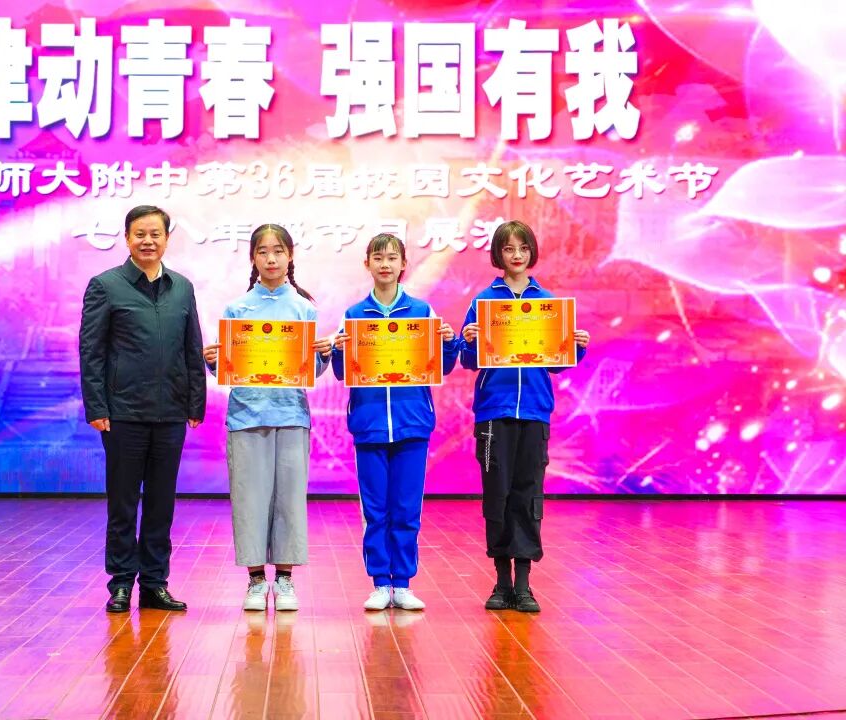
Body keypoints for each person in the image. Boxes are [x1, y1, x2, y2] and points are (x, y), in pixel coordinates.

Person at [79, 205, 206, 613]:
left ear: (167, 238)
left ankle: (154, 583)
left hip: (170, 413)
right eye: (140, 234)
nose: (148, 241)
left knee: (161, 503)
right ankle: (120, 583)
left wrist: (195, 401)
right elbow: (91, 352)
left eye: (155, 234)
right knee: (123, 502)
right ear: (127, 238)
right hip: (122, 414)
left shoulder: (182, 287)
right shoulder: (106, 286)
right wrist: (97, 405)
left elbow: (192, 348)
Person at [459, 220, 590, 613]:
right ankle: (501, 582)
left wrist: (577, 347)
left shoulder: (548, 303)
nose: (516, 255)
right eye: (508, 248)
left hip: (534, 410)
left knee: (528, 494)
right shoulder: (484, 302)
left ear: (532, 252)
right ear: (497, 255)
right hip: (493, 412)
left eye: (523, 248)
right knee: (496, 494)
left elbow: (557, 364)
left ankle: (524, 584)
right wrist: (469, 341)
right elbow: (469, 361)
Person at [202, 224, 334, 612]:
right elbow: (229, 370)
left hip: (291, 414)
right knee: (250, 498)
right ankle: (257, 580)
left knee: (290, 499)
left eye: (278, 251)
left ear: (290, 256)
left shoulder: (304, 308)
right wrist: (213, 362)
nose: (271, 259)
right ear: (253, 258)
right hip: (246, 415)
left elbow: (311, 371)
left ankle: (286, 579)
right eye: (263, 251)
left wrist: (323, 355)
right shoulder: (237, 310)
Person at [330, 233, 459, 611]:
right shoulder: (354, 316)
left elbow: (442, 366)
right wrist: (338, 350)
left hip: (412, 423)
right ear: (367, 264)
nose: (385, 264)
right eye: (378, 257)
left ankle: (402, 583)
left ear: (404, 264)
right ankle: (379, 582)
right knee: (375, 511)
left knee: (405, 508)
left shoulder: (422, 312)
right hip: (369, 425)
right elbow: (343, 373)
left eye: (392, 258)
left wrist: (447, 342)